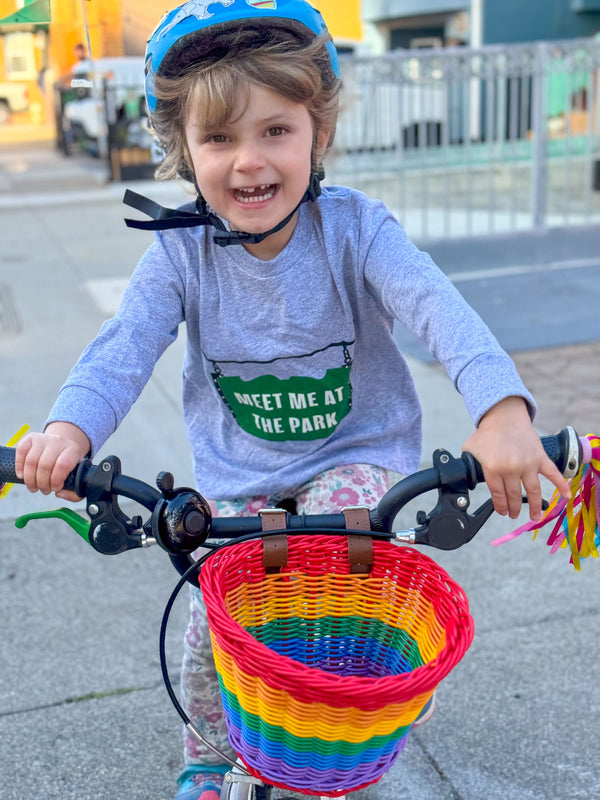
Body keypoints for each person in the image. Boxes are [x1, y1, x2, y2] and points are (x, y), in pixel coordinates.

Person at [15, 1, 571, 798]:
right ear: (184, 152)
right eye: (219, 138)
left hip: (354, 456)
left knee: (337, 574)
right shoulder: (181, 251)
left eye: (276, 130)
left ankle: (337, 728)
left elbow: (440, 311)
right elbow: (125, 343)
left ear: (318, 133)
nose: (249, 161)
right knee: (213, 622)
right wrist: (69, 429)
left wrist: (501, 411)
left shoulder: (356, 229)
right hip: (238, 475)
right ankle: (208, 759)